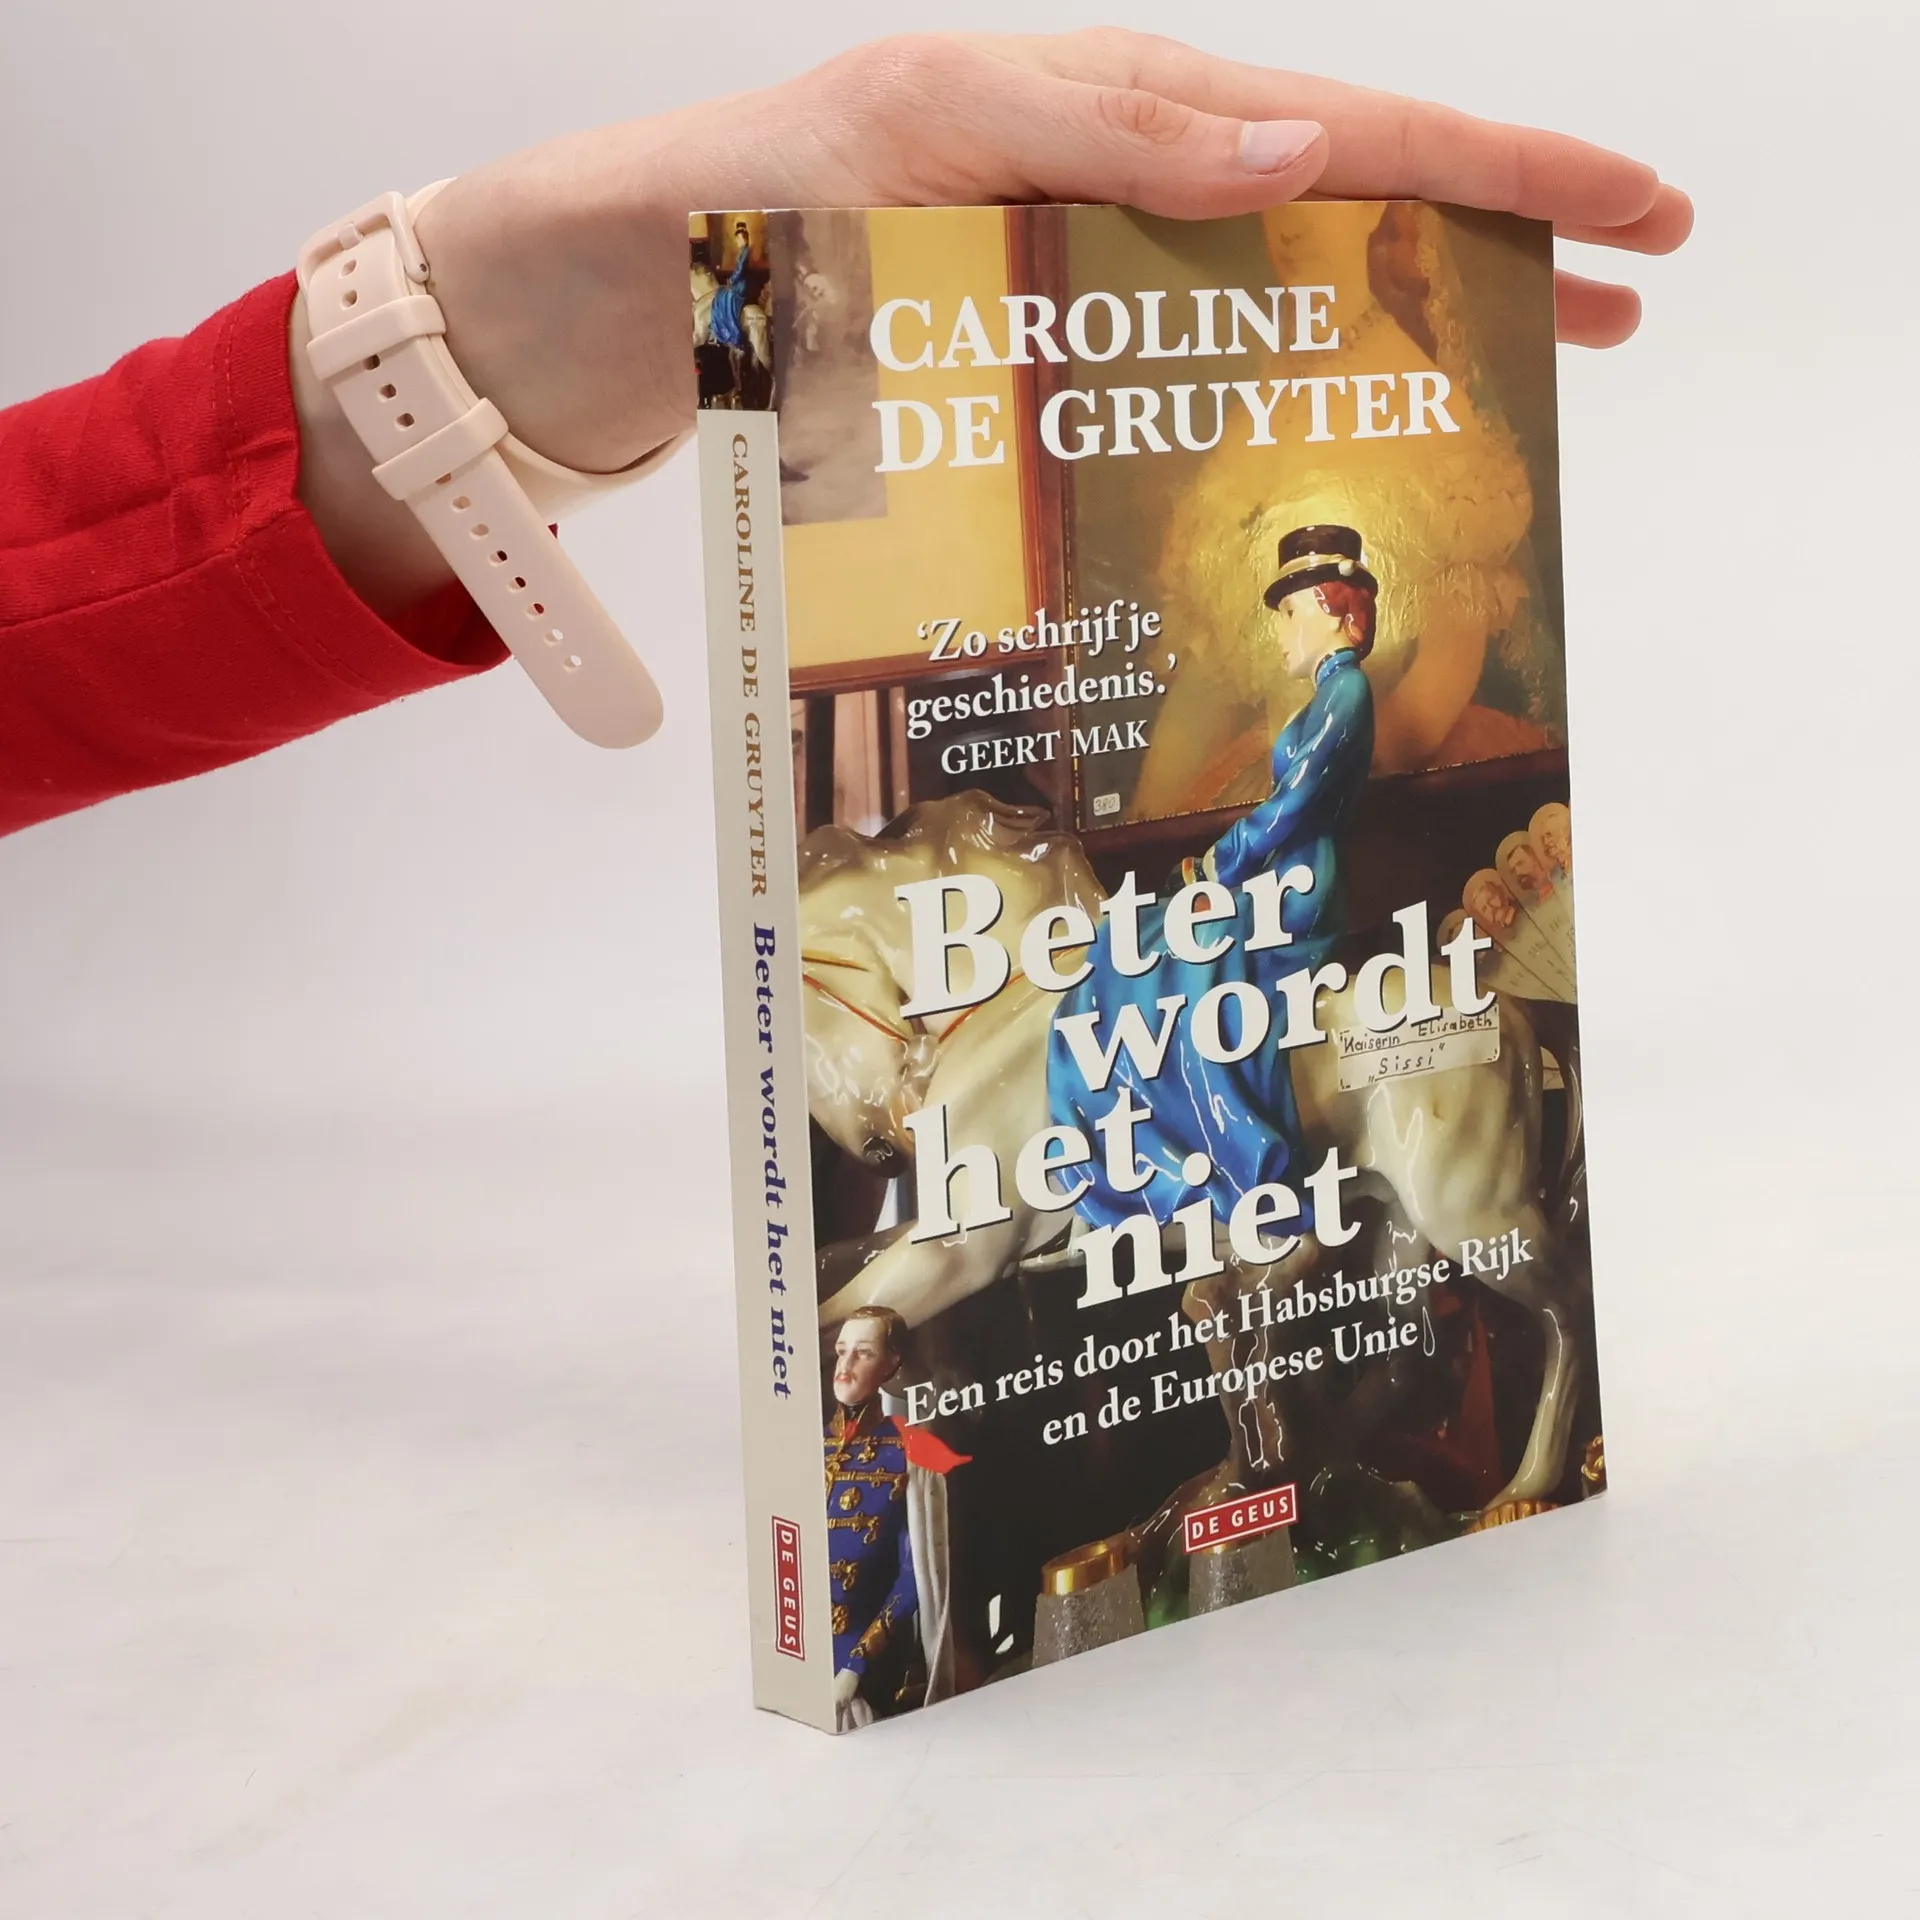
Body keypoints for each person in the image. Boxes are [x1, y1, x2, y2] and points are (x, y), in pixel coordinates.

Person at [0, 30, 1691, 837]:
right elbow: (1196, 714)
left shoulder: (1413, 452)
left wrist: (497, 322)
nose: (1306, 241)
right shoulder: (1255, 461)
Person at [1047, 524, 1377, 1236]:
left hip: (1297, 886)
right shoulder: (1326, 695)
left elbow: (1296, 805)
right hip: (1276, 871)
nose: (1281, 631)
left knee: (1179, 949)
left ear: (1329, 609)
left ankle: (1230, 1144)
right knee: (1141, 933)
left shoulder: (1347, 693)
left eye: (1290, 612)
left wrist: (1218, 864)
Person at [825, 1305, 965, 1725]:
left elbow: (915, 1575)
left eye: (863, 1353)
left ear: (891, 1363)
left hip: (863, 1673)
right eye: (842, 1351)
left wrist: (856, 1666)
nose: (846, 1365)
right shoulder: (804, 1448)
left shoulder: (910, 1457)